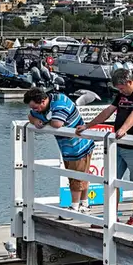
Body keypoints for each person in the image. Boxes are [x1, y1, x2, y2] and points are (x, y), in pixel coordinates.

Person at [76, 67, 133, 227]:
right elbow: (109, 110)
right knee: (112, 180)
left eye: (122, 88)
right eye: (119, 89)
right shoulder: (122, 94)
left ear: (130, 82)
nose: (121, 91)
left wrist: (123, 129)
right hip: (118, 145)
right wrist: (88, 126)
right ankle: (111, 215)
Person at [24, 86, 96, 214]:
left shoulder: (60, 102)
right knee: (80, 176)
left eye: (35, 107)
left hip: (79, 145)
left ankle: (74, 208)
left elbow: (57, 123)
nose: (34, 110)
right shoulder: (44, 107)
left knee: (77, 177)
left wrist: (44, 121)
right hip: (67, 147)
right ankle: (84, 205)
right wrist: (35, 120)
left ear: (43, 101)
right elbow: (31, 116)